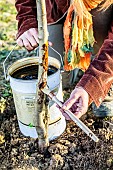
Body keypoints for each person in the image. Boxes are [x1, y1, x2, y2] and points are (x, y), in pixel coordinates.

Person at [15, 0, 113, 120]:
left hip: (99, 14)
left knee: (102, 17)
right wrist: (27, 20)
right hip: (54, 10)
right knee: (56, 75)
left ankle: (100, 74)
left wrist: (92, 84)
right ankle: (75, 57)